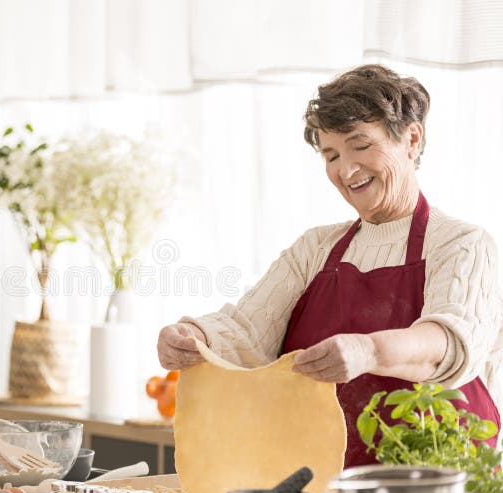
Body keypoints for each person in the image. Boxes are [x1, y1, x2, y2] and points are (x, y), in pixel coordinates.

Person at [157, 64, 503, 467]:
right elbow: (246, 332)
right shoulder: (314, 249)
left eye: (360, 145)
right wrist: (193, 336)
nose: (345, 169)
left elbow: (449, 345)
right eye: (331, 154)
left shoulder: (463, 244)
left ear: (411, 139)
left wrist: (368, 349)